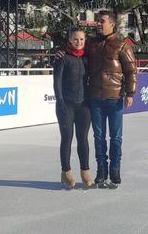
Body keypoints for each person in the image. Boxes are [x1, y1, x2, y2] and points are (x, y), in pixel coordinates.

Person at [87, 11, 138, 189]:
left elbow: (131, 70)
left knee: (115, 137)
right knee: (99, 137)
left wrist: (130, 93)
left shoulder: (122, 45)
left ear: (112, 24)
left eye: (102, 21)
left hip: (115, 98)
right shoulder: (91, 44)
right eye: (97, 22)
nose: (98, 24)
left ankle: (115, 171)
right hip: (95, 98)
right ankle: (101, 171)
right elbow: (76, 53)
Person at [53, 29, 92, 189]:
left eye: (82, 39)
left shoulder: (87, 58)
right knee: (67, 138)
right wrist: (60, 101)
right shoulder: (62, 58)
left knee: (83, 139)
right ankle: (66, 171)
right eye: (76, 39)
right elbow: (57, 82)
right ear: (70, 40)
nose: (79, 42)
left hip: (84, 105)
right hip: (66, 105)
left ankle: (85, 171)